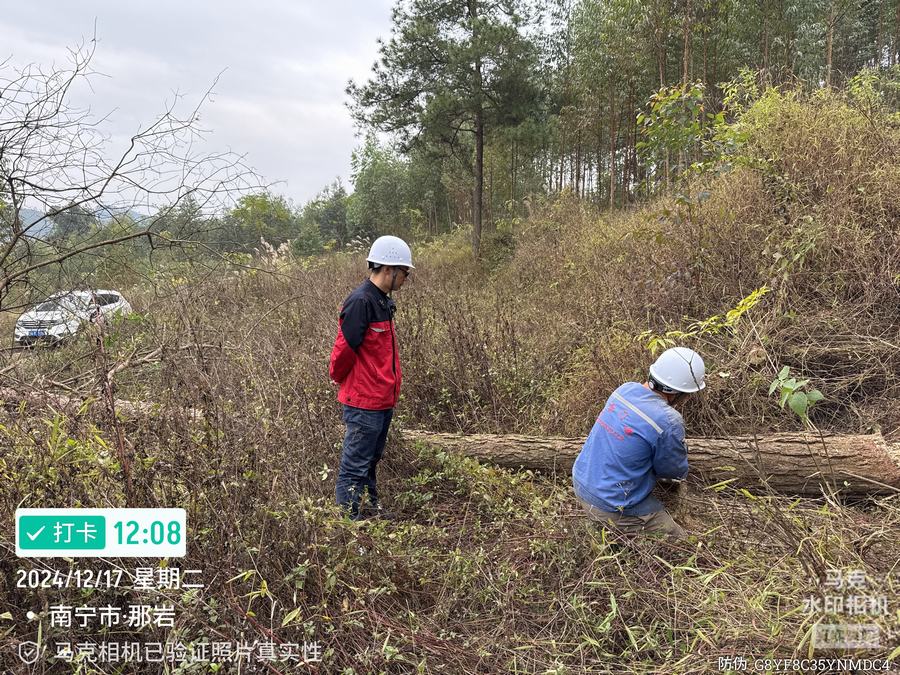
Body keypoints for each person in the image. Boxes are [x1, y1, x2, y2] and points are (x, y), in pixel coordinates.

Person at [572, 347, 706, 538]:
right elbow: (673, 471)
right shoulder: (668, 420)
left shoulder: (625, 390)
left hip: (581, 480)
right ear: (678, 393)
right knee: (683, 543)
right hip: (609, 504)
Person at [329, 235, 413, 520]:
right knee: (354, 466)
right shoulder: (361, 301)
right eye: (404, 273)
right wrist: (339, 379)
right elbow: (343, 350)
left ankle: (370, 510)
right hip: (364, 402)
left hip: (381, 400)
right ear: (388, 270)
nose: (405, 279)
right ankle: (348, 526)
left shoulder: (382, 301)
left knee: (370, 460)